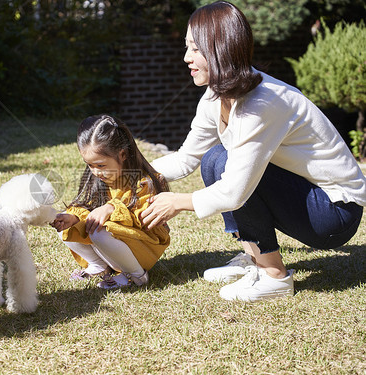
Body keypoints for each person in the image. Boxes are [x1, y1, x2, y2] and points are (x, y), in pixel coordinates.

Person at [139, 1, 366, 301]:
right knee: (213, 159)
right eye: (187, 48)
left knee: (224, 164)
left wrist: (177, 202)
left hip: (335, 211)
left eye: (195, 49)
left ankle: (274, 276)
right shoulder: (214, 97)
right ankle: (253, 259)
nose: (186, 58)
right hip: (306, 193)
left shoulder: (262, 104)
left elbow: (235, 191)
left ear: (220, 48)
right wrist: (134, 174)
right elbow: (186, 158)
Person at [51, 114, 171, 289]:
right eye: (89, 165)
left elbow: (142, 219)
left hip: (143, 246)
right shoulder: (99, 179)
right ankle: (99, 266)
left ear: (122, 154)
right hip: (114, 245)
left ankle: (136, 276)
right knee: (67, 225)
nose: (95, 172)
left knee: (99, 231)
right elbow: (88, 208)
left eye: (100, 165)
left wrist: (111, 207)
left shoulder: (144, 182)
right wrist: (74, 219)